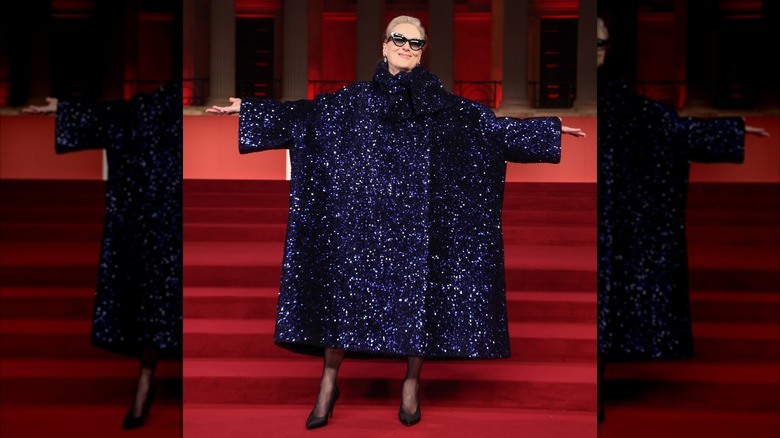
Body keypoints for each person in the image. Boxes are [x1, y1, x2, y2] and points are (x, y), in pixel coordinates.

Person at [208, 15, 585, 429]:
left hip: (415, 228)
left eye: (416, 42)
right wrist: (252, 110)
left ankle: (410, 384)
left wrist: (545, 132)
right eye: (399, 39)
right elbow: (305, 118)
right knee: (344, 297)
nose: (407, 46)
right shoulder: (352, 101)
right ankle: (328, 383)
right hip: (362, 225)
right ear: (384, 45)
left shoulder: (444, 107)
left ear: (423, 52)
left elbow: (490, 131)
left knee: (417, 300)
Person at [595, 16, 769, 423]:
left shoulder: (629, 106)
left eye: (601, 42)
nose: (594, 50)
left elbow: (671, 128)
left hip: (616, 223)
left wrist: (730, 131)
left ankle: (598, 387)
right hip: (594, 219)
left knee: (608, 298)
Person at [22, 82, 183, 430]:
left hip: (188, 213)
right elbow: (126, 115)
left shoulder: (170, 105)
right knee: (153, 296)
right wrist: (66, 110)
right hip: (161, 216)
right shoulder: (155, 108)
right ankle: (144, 381)